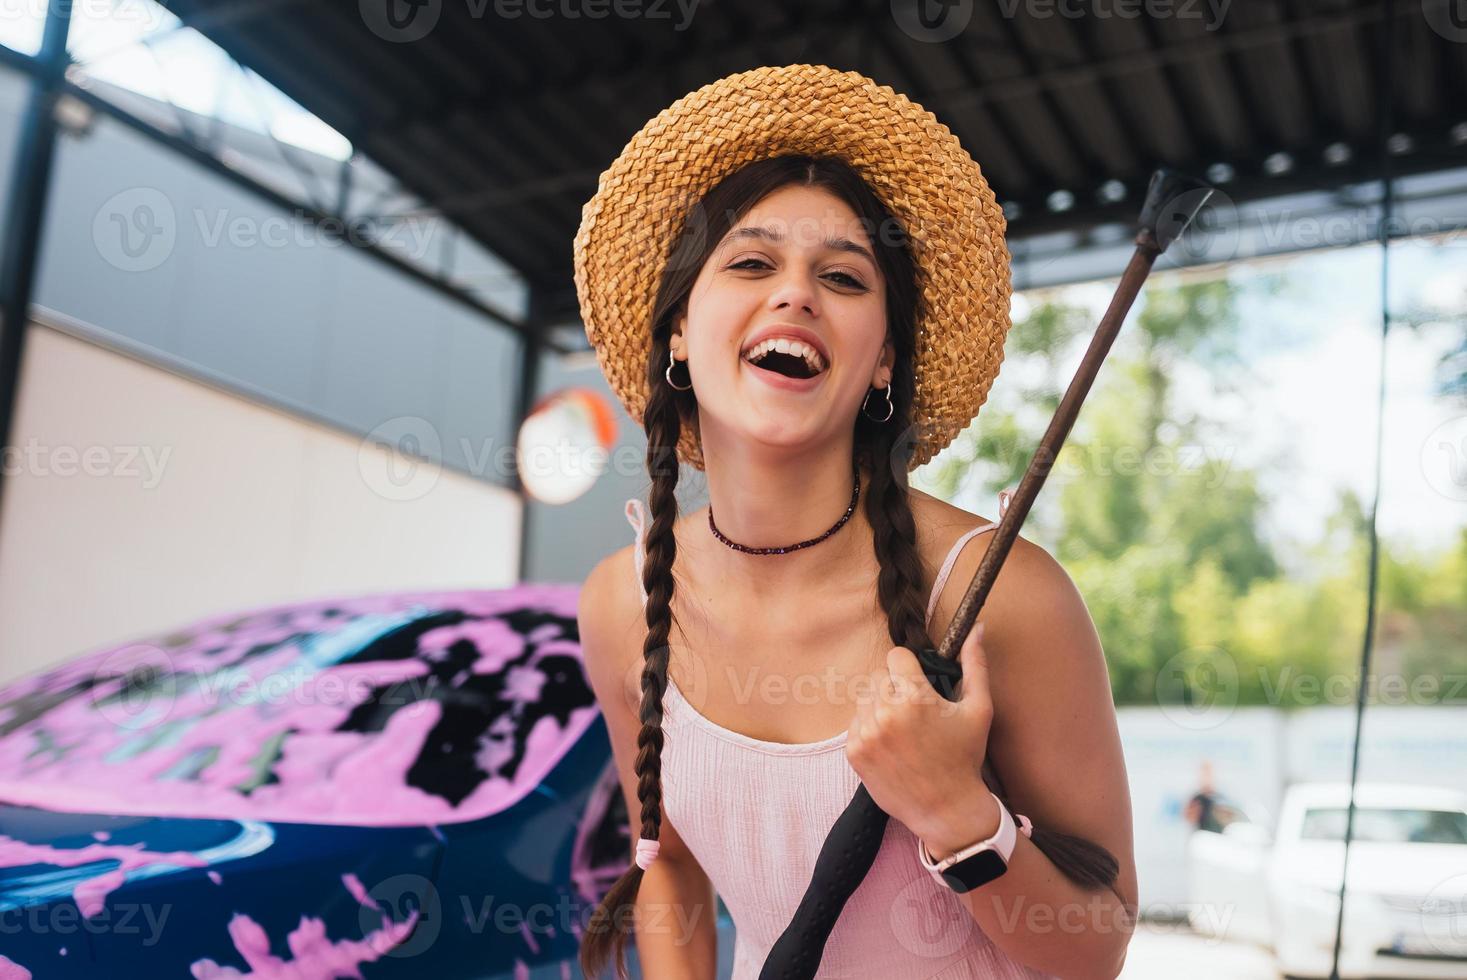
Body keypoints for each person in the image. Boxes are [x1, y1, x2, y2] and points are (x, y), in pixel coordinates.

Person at [573, 65, 1137, 980]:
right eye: (751, 262)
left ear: (881, 363)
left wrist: (959, 813)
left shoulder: (1001, 594)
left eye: (841, 276)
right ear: (677, 329)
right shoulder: (620, 603)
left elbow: (1098, 947)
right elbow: (666, 865)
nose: (794, 294)